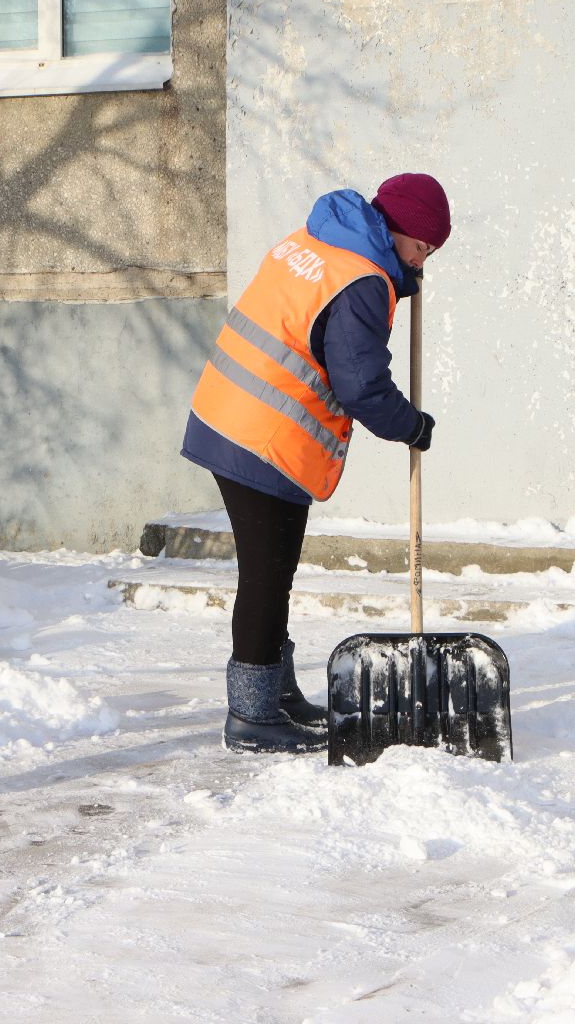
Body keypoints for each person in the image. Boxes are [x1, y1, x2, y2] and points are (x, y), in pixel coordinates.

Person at [181, 174, 449, 754]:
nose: (424, 260)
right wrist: (412, 426)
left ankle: (275, 694)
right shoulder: (361, 281)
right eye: (423, 247)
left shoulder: (321, 240)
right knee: (266, 574)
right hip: (260, 434)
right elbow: (362, 387)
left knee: (275, 569)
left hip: (233, 413)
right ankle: (251, 716)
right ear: (401, 230)